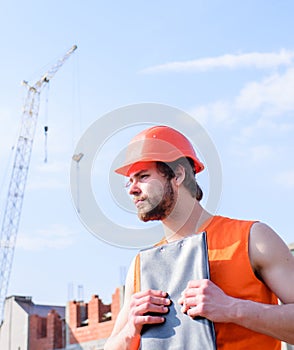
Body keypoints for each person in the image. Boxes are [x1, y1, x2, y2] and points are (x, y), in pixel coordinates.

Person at [104, 125, 294, 350]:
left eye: (143, 176)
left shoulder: (252, 238)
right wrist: (130, 331)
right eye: (130, 181)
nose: (132, 189)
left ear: (178, 174)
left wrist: (233, 309)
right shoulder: (141, 267)